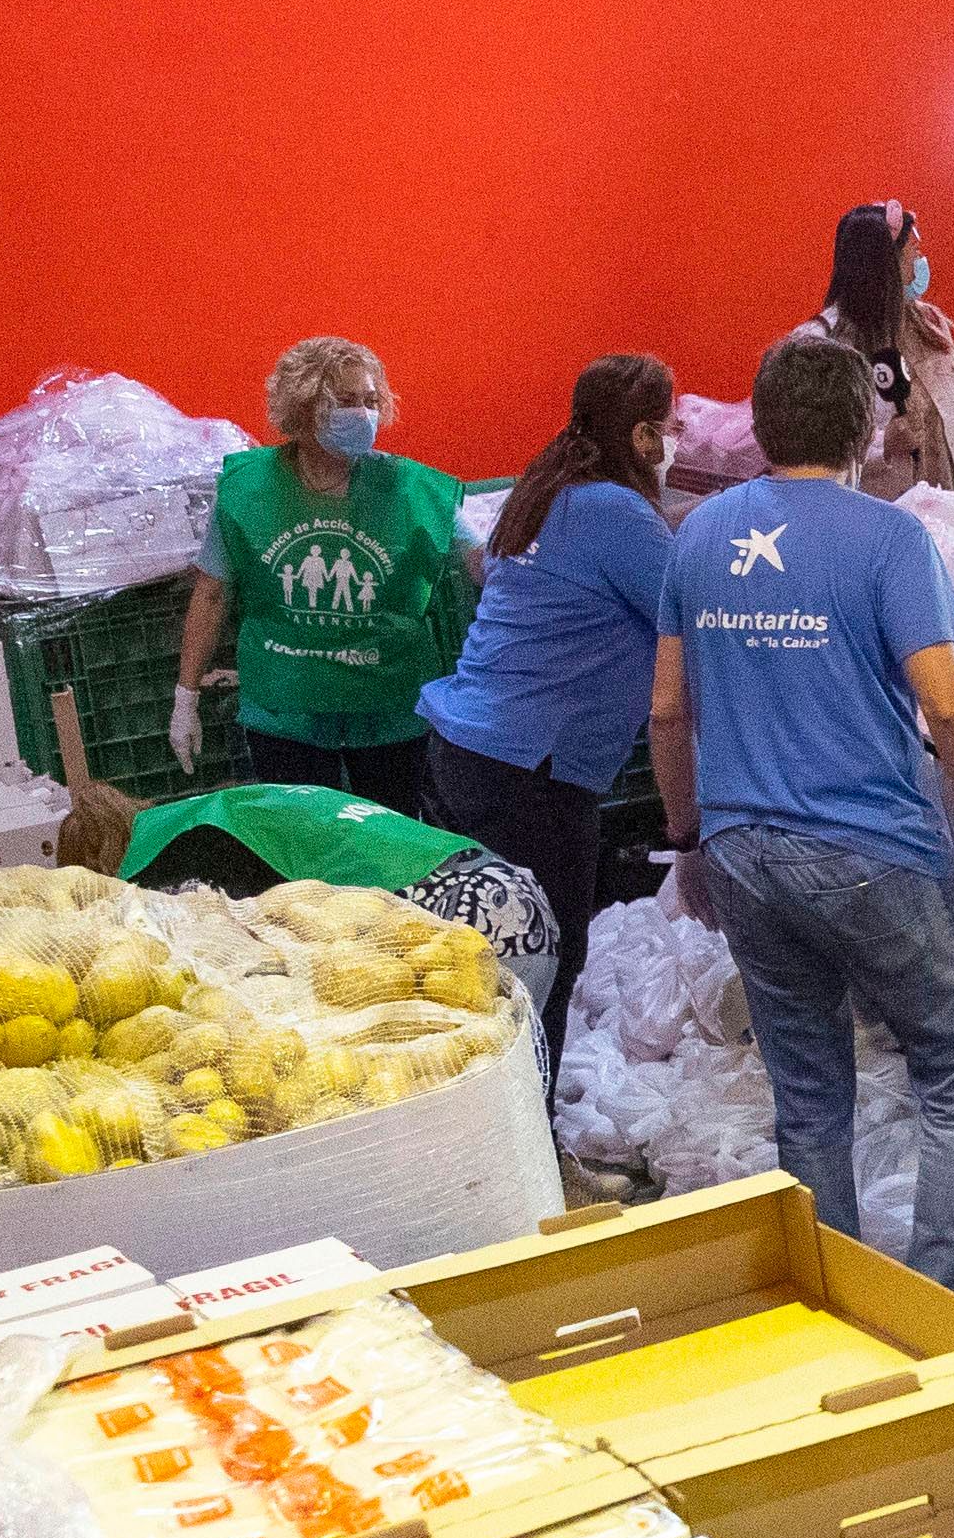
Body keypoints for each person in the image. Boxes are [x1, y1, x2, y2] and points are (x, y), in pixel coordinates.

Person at [650, 334, 954, 1290]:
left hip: (741, 849)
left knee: (810, 1093)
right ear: (863, 425)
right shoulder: (889, 537)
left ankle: (836, 1304)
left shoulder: (697, 533)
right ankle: (942, 1302)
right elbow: (944, 704)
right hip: (872, 849)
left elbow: (665, 707)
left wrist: (689, 838)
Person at [414, 354, 679, 1067]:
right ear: (644, 437)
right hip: (532, 770)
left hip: (466, 748)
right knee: (544, 962)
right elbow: (690, 611)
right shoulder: (615, 510)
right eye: (669, 426)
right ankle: (537, 1148)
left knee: (490, 961)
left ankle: (494, 1124)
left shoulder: (545, 492)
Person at [176, 336, 466, 816]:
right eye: (347, 401)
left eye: (372, 400)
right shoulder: (249, 489)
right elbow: (211, 592)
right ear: (305, 406)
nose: (364, 414)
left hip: (384, 706)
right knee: (303, 845)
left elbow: (483, 557)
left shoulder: (411, 487)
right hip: (288, 710)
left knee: (389, 842)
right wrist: (185, 697)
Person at [58, 780, 556, 1019]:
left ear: (99, 861)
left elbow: (232, 953)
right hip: (504, 890)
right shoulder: (216, 811)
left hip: (453, 918)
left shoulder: (176, 851)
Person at [803, 201, 954, 500]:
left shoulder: (931, 325)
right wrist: (883, 445)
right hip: (879, 518)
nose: (921, 266)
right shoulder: (822, 344)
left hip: (953, 515)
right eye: (914, 254)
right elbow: (810, 452)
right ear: (883, 265)